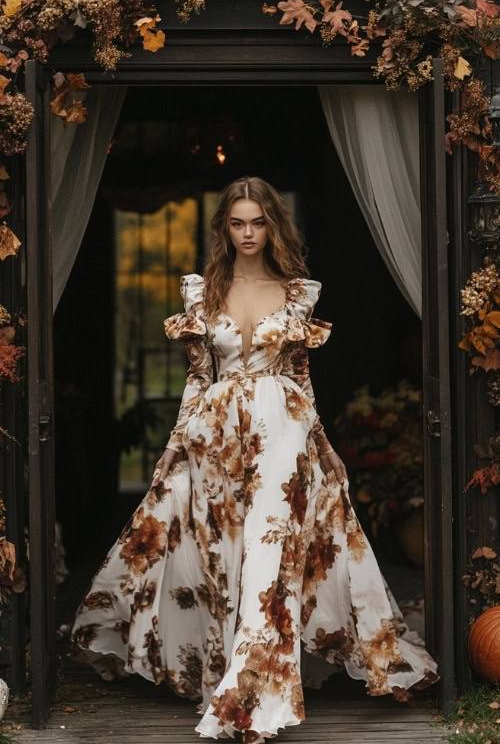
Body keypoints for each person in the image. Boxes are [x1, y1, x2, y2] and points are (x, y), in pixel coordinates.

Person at [70, 176, 438, 744]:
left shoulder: (297, 294)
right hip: (215, 436)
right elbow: (198, 379)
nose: (247, 233)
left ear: (273, 226)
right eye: (237, 223)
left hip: (282, 427)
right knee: (224, 556)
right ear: (224, 228)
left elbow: (299, 379)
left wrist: (326, 448)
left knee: (270, 554)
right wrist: (172, 449)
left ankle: (255, 699)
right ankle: (228, 674)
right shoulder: (201, 293)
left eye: (257, 222)